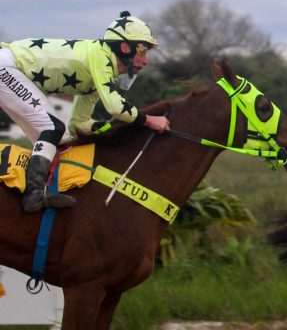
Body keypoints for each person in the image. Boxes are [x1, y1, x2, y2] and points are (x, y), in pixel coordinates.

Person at [0, 11, 171, 212]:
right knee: (52, 127)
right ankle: (34, 195)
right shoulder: (101, 57)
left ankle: (40, 189)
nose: (146, 61)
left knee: (61, 136)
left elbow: (79, 123)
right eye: (143, 51)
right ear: (125, 47)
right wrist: (149, 119)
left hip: (9, 68)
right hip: (6, 66)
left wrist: (108, 126)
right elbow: (116, 106)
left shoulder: (97, 75)